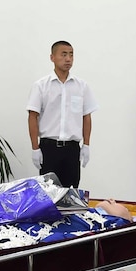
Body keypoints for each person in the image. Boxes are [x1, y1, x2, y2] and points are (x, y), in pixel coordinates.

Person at [27, 40, 97, 188]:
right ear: (52, 57)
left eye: (71, 55)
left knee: (71, 195)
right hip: (49, 148)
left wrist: (86, 145)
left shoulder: (81, 86)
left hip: (72, 149)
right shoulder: (41, 86)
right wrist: (35, 148)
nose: (68, 59)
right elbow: (33, 116)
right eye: (63, 54)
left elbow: (86, 116)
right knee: (49, 195)